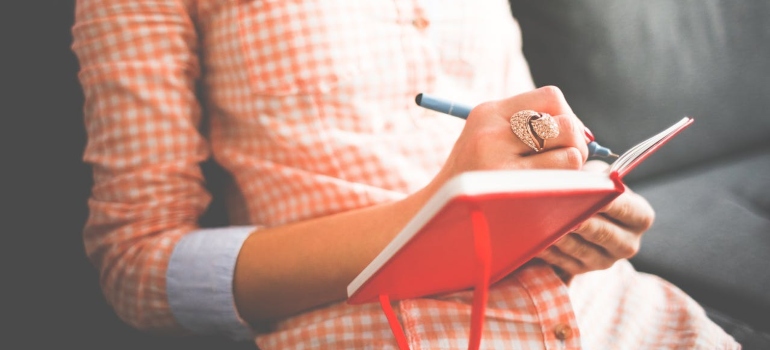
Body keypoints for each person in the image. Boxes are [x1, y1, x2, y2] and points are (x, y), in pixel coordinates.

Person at [72, 0, 739, 348]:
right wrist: (436, 215)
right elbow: (135, 267)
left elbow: (521, 130)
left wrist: (572, 203)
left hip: (625, 318)